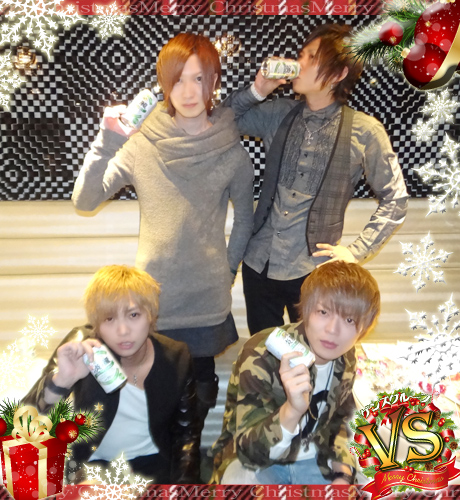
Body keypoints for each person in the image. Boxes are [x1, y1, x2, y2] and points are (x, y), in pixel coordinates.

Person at [71, 33, 254, 427]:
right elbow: (85, 201)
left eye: (199, 78)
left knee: (201, 392)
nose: (188, 91)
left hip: (207, 297)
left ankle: (191, 461)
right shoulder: (142, 145)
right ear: (164, 84)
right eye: (178, 79)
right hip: (153, 297)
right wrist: (108, 140)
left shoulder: (231, 150)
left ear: (213, 81)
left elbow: (245, 219)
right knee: (154, 394)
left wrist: (227, 271)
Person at [223, 23, 408, 335]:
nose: (300, 62)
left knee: (312, 355)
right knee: (263, 351)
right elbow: (223, 121)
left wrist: (356, 252)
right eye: (301, 55)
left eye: (311, 57)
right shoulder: (278, 112)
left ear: (338, 74)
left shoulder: (365, 131)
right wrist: (259, 90)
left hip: (313, 272)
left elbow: (396, 198)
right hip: (258, 263)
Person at [23, 265, 200, 484]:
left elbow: (186, 434)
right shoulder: (82, 348)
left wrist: (183, 489)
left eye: (133, 315)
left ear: (151, 315)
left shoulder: (176, 357)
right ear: (96, 324)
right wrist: (62, 380)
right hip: (90, 468)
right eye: (109, 319)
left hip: (152, 467)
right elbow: (25, 425)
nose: (123, 331)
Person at [210, 261, 380, 485]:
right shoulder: (262, 352)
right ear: (306, 310)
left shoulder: (345, 356)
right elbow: (248, 453)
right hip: (260, 461)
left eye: (349, 320)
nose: (332, 330)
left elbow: (339, 419)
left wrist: (343, 470)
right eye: (323, 312)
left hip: (315, 458)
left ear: (364, 327)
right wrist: (291, 410)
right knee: (238, 485)